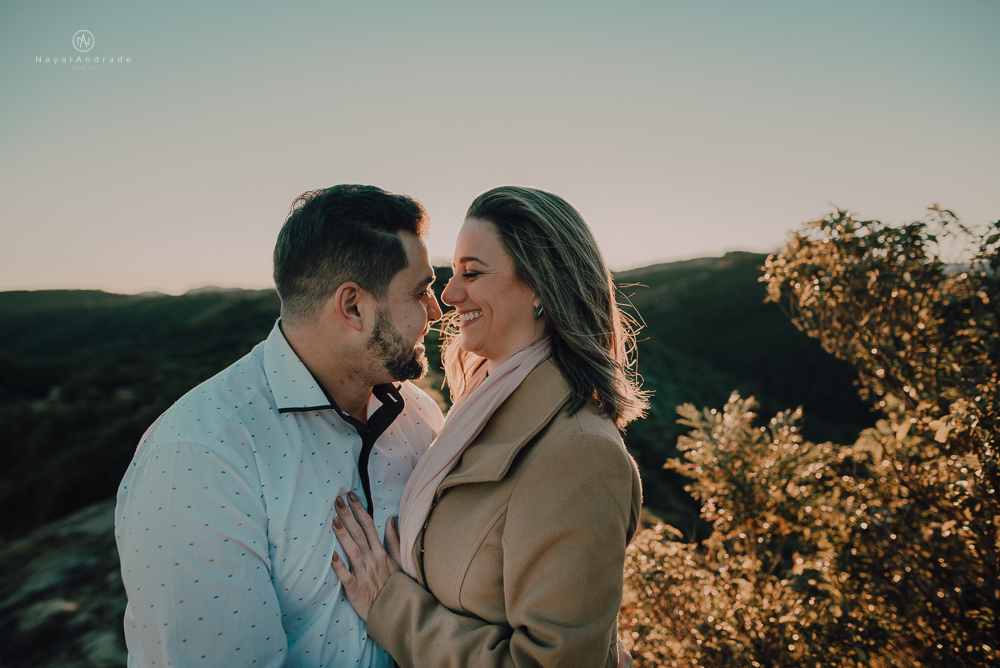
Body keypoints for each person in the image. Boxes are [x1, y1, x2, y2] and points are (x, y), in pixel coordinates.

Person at [115, 185, 446, 667]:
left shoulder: (419, 416)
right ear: (353, 307)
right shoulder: (199, 456)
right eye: (421, 292)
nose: (436, 311)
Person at [329, 185, 648, 667]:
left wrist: (390, 606)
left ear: (540, 285)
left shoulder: (580, 453)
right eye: (453, 272)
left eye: (472, 273)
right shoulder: (476, 412)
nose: (449, 294)